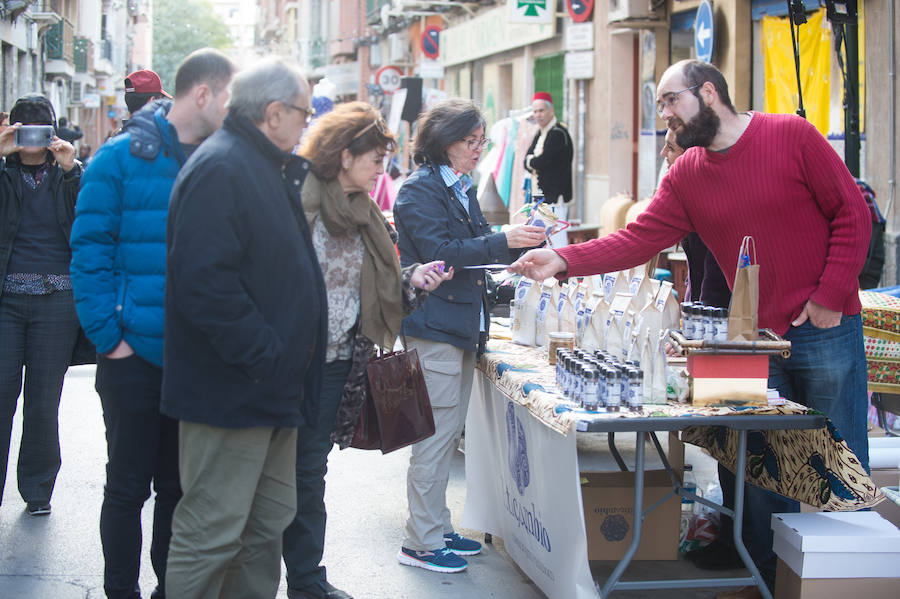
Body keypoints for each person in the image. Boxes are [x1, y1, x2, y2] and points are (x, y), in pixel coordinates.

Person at [510, 59, 871, 597]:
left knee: (833, 459)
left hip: (822, 327)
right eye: (659, 105)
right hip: (748, 343)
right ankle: (771, 580)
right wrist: (563, 261)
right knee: (762, 468)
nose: (665, 116)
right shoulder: (686, 173)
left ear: (708, 92)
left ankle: (846, 581)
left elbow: (852, 214)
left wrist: (827, 296)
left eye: (669, 101)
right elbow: (638, 238)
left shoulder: (791, 135)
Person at [69, 48, 235, 599]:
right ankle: (120, 590)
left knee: (179, 489)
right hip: (131, 355)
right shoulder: (116, 160)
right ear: (204, 94)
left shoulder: (222, 162)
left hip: (194, 360)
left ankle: (172, 589)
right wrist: (108, 339)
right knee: (125, 487)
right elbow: (88, 252)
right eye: (229, 96)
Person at [162, 57, 326, 599]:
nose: (309, 122)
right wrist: (266, 357)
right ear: (274, 113)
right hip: (234, 391)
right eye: (304, 112)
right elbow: (205, 286)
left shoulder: (260, 164)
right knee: (212, 531)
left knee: (265, 527)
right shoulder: (224, 166)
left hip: (270, 390)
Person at [281, 102, 453, 599]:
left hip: (339, 364)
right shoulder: (297, 201)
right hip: (289, 365)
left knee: (310, 474)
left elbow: (376, 286)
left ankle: (307, 580)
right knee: (274, 476)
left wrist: (412, 279)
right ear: (344, 153)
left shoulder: (365, 214)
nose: (382, 168)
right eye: (376, 157)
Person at [393, 98, 546, 573]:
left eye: (482, 141)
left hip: (459, 322)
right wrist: (503, 239)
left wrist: (508, 254)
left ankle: (435, 526)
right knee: (434, 438)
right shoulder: (419, 190)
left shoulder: (459, 185)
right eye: (470, 141)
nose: (479, 149)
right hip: (434, 324)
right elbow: (441, 251)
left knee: (444, 431)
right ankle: (420, 541)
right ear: (444, 142)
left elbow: (473, 250)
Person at [0, 93, 82, 517]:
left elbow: (88, 216)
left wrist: (71, 169)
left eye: (40, 131)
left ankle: (37, 490)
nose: (31, 140)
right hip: (7, 302)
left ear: (52, 134)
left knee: (43, 401)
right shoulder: (3, 170)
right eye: (23, 130)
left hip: (57, 301)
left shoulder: (67, 175)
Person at [523, 91, 573, 248]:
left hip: (554, 198)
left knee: (556, 241)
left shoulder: (558, 133)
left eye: (541, 110)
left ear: (551, 111)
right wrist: (532, 161)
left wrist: (532, 161)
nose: (538, 115)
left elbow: (541, 162)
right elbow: (526, 160)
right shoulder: (541, 132)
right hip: (541, 198)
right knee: (541, 240)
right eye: (535, 111)